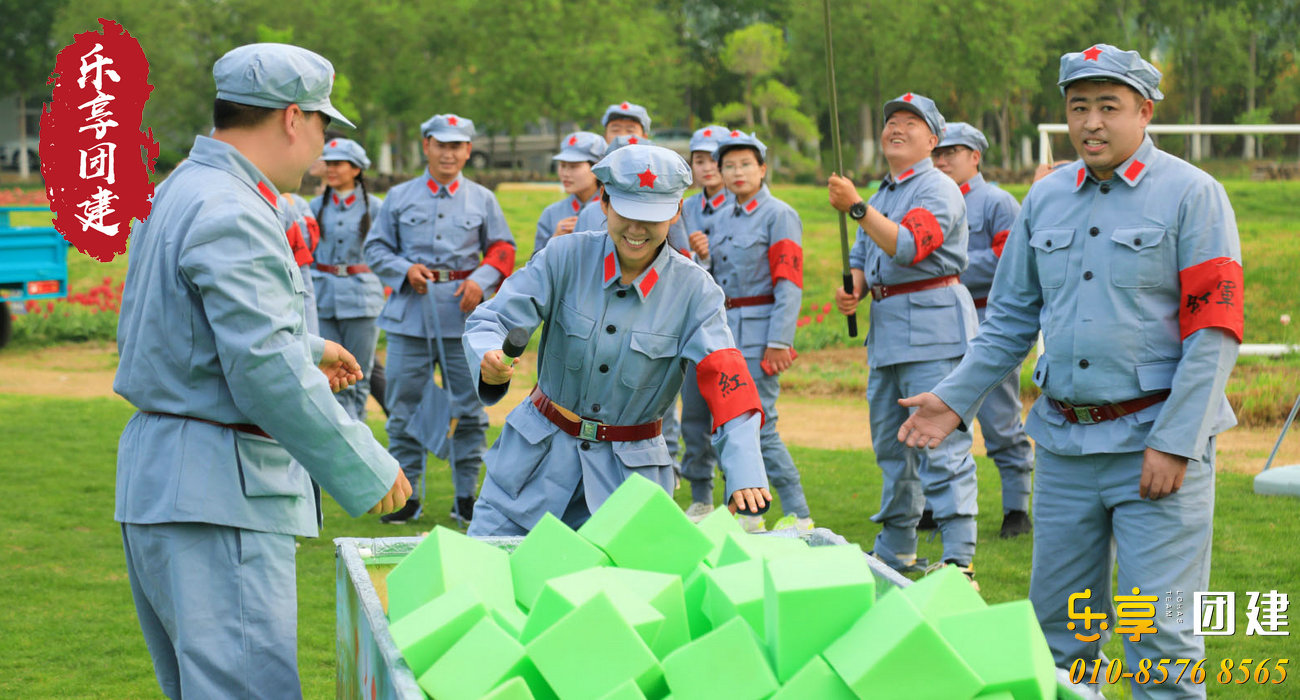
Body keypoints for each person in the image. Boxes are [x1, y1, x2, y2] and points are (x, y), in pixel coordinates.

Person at [897, 45, 1241, 700]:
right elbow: (1007, 323)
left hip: (1155, 446)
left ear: (1144, 112)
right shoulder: (1046, 199)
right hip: (1063, 448)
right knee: (1058, 632)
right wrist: (953, 400)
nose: (1091, 122)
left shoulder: (1193, 195)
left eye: (1108, 107)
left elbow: (1215, 329)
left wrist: (1176, 441)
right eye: (1079, 106)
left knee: (1160, 640)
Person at [113, 43, 410, 699]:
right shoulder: (236, 208)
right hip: (219, 491)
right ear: (293, 117)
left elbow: (181, 328)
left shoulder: (181, 188)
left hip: (166, 479)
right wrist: (368, 464)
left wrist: (310, 346)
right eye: (324, 129)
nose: (321, 149)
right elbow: (264, 368)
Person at [462, 144, 772, 535]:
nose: (637, 229)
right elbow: (493, 318)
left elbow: (727, 379)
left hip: (626, 491)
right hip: (530, 471)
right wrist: (488, 358)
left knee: (613, 595)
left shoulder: (696, 291)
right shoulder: (564, 256)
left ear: (676, 213)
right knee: (490, 581)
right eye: (627, 213)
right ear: (605, 203)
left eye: (653, 217)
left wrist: (744, 468)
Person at [827, 92, 981, 586]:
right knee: (893, 447)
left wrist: (855, 206)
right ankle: (895, 549)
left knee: (940, 443)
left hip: (934, 328)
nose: (896, 127)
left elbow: (911, 246)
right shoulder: (886, 190)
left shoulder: (937, 188)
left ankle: (959, 557)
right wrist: (855, 284)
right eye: (891, 120)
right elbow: (862, 249)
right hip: (889, 329)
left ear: (933, 141)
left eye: (910, 123)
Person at [364, 113, 516, 525]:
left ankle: (467, 496)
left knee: (469, 410)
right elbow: (375, 248)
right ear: (426, 145)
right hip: (409, 319)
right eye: (440, 144)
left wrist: (482, 280)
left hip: (466, 321)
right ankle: (406, 497)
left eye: (457, 145)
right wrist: (403, 270)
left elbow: (503, 248)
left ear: (468, 150)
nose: (448, 153)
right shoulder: (399, 197)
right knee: (402, 408)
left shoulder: (483, 199)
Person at [681, 131, 812, 533]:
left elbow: (789, 283)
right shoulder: (718, 219)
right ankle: (743, 515)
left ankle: (798, 512)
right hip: (721, 332)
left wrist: (779, 342)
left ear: (762, 169)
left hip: (759, 333)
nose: (737, 173)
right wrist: (702, 256)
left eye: (745, 165)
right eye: (729, 166)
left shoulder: (779, 215)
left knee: (759, 424)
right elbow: (712, 281)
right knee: (722, 423)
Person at [929, 121, 1034, 539]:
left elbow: (1006, 265)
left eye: (951, 153)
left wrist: (942, 266)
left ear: (975, 157)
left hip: (991, 323)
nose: (942, 161)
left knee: (1000, 418)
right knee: (937, 417)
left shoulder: (998, 202)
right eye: (938, 153)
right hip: (938, 324)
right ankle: (934, 506)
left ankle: (1016, 507)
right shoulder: (929, 199)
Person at [678, 124, 733, 522]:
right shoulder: (683, 209)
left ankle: (740, 495)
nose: (708, 167)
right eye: (699, 159)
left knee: (732, 412)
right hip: (690, 324)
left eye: (716, 159)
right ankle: (700, 494)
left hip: (735, 323)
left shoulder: (747, 207)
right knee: (693, 415)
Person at [310, 138, 385, 421]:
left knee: (357, 377)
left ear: (356, 169)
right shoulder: (314, 206)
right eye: (328, 163)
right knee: (329, 378)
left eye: (338, 164)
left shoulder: (376, 208)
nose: (331, 169)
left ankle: (357, 440)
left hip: (362, 301)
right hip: (323, 299)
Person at [534, 131, 605, 254]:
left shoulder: (613, 211)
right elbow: (535, 266)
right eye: (562, 165)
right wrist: (554, 241)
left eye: (574, 166)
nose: (565, 174)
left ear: (596, 169)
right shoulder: (551, 213)